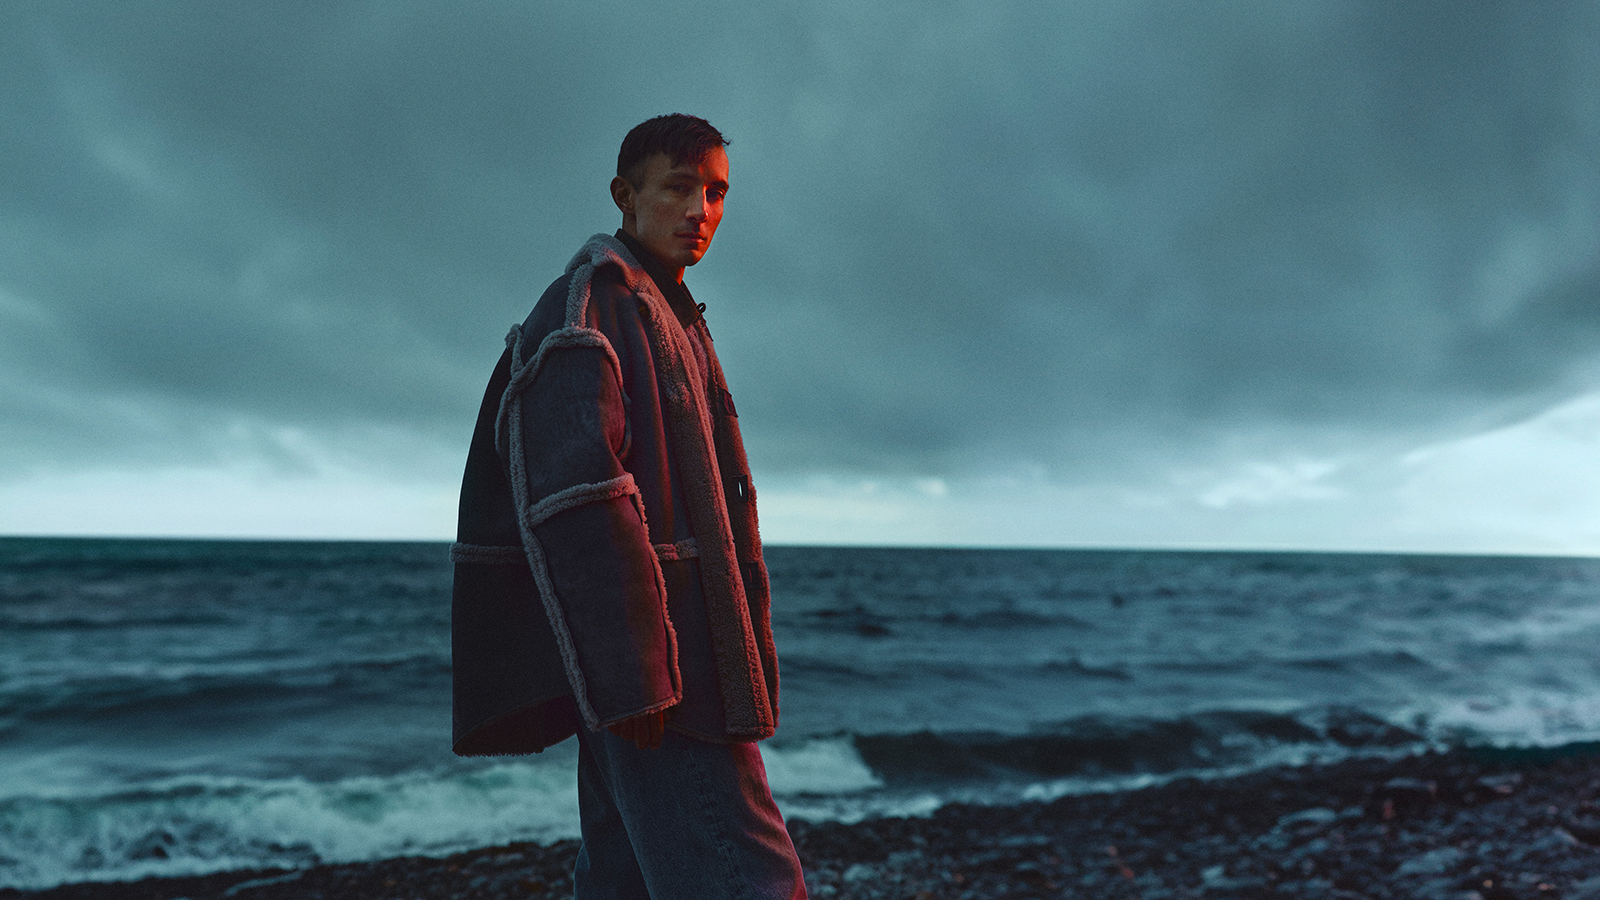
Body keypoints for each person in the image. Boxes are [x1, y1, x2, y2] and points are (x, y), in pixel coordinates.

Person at [449, 114, 806, 899]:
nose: (700, 212)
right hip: (661, 675)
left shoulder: (664, 306)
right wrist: (633, 674)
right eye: (678, 188)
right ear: (624, 193)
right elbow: (579, 502)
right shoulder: (592, 308)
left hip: (657, 665)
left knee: (624, 880)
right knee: (750, 880)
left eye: (715, 193)